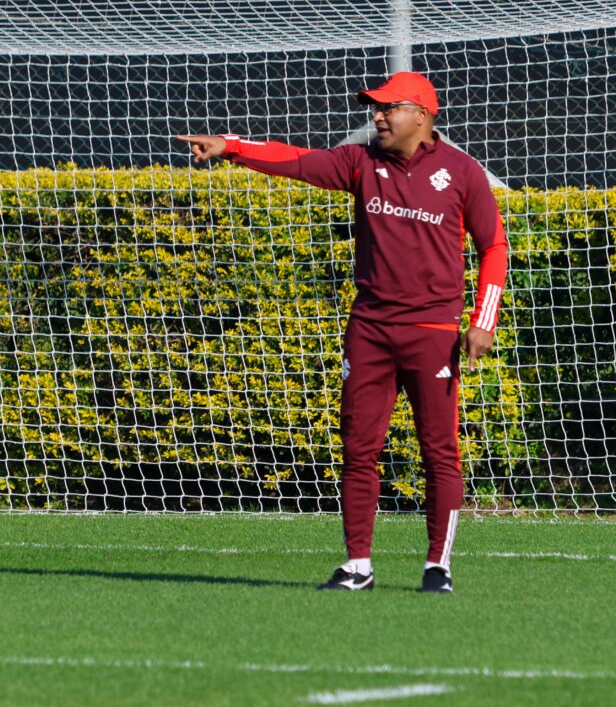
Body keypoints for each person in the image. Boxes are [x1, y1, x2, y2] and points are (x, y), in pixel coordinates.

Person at [176, 71, 508, 594]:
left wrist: (482, 320)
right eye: (374, 108)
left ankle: (437, 567)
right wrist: (231, 148)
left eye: (387, 108)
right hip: (370, 329)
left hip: (431, 331)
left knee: (438, 450)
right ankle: (358, 565)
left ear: (421, 115)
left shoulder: (462, 173)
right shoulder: (360, 162)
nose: (377, 116)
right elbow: (297, 160)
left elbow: (494, 246)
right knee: (359, 448)